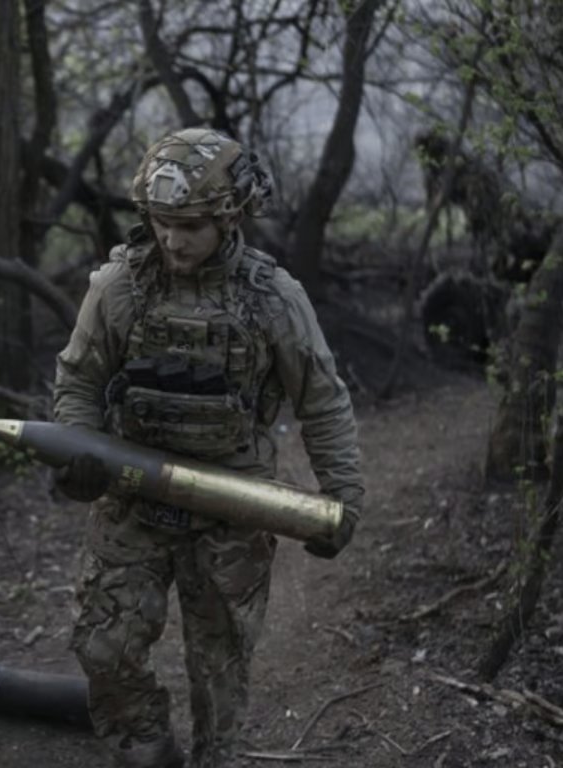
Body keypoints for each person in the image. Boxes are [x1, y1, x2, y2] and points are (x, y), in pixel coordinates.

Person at [52, 127, 365, 768]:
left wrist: (343, 497)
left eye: (190, 224)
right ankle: (144, 745)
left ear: (230, 216)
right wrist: (79, 447)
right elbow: (79, 379)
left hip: (233, 503)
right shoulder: (118, 286)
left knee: (220, 671)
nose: (172, 239)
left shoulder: (273, 298)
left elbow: (323, 400)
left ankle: (215, 757)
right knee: (103, 647)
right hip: (133, 493)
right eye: (162, 222)